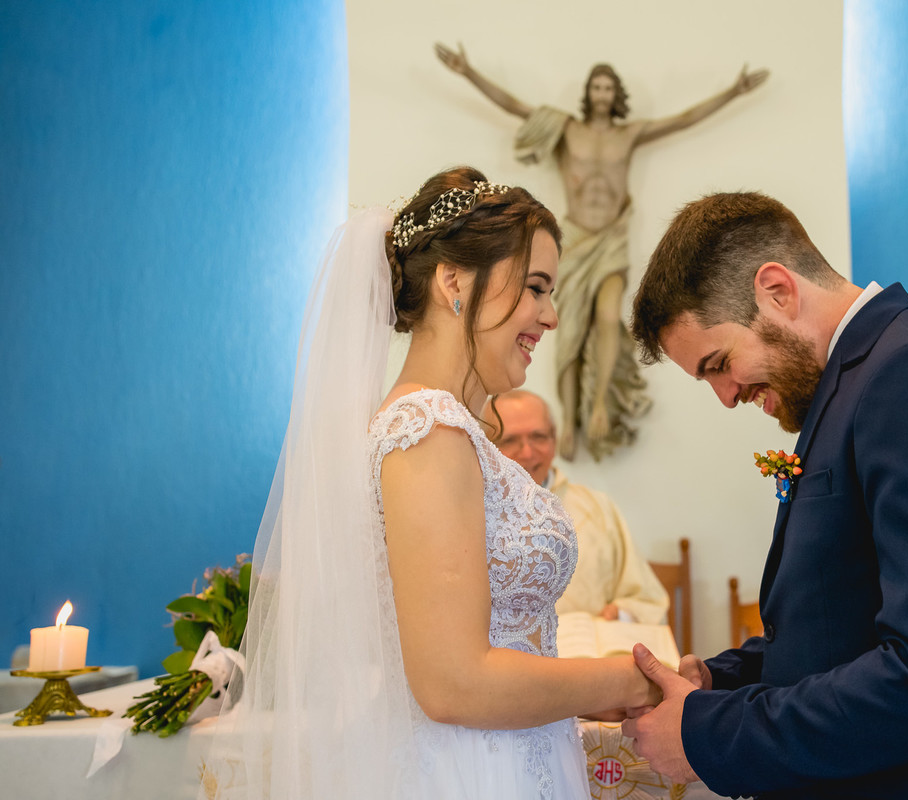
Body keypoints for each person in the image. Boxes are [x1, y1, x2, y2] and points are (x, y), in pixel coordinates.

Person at [213, 167, 658, 799]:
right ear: (454, 280)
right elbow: (454, 684)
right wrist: (626, 681)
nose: (551, 316)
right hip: (473, 772)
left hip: (510, 752)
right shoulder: (428, 431)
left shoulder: (452, 431)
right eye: (535, 287)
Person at [619, 192, 908, 799]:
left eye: (719, 362)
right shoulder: (858, 384)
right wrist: (719, 682)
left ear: (777, 289)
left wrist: (710, 733)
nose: (724, 395)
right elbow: (840, 625)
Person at [434, 44, 768, 461]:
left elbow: (682, 120)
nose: (602, 92)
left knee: (610, 317)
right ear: (589, 92)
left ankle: (597, 408)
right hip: (572, 239)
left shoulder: (629, 134)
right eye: (597, 85)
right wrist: (468, 71)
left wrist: (733, 92)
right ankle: (570, 415)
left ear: (617, 94)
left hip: (610, 239)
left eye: (609, 86)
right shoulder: (566, 130)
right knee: (568, 331)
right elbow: (515, 106)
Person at [486, 389, 670, 624]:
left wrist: (619, 614)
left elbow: (645, 600)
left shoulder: (597, 507)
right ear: (486, 447)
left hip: (588, 655)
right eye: (509, 440)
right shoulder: (471, 513)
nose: (527, 452)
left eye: (538, 436)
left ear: (554, 439)